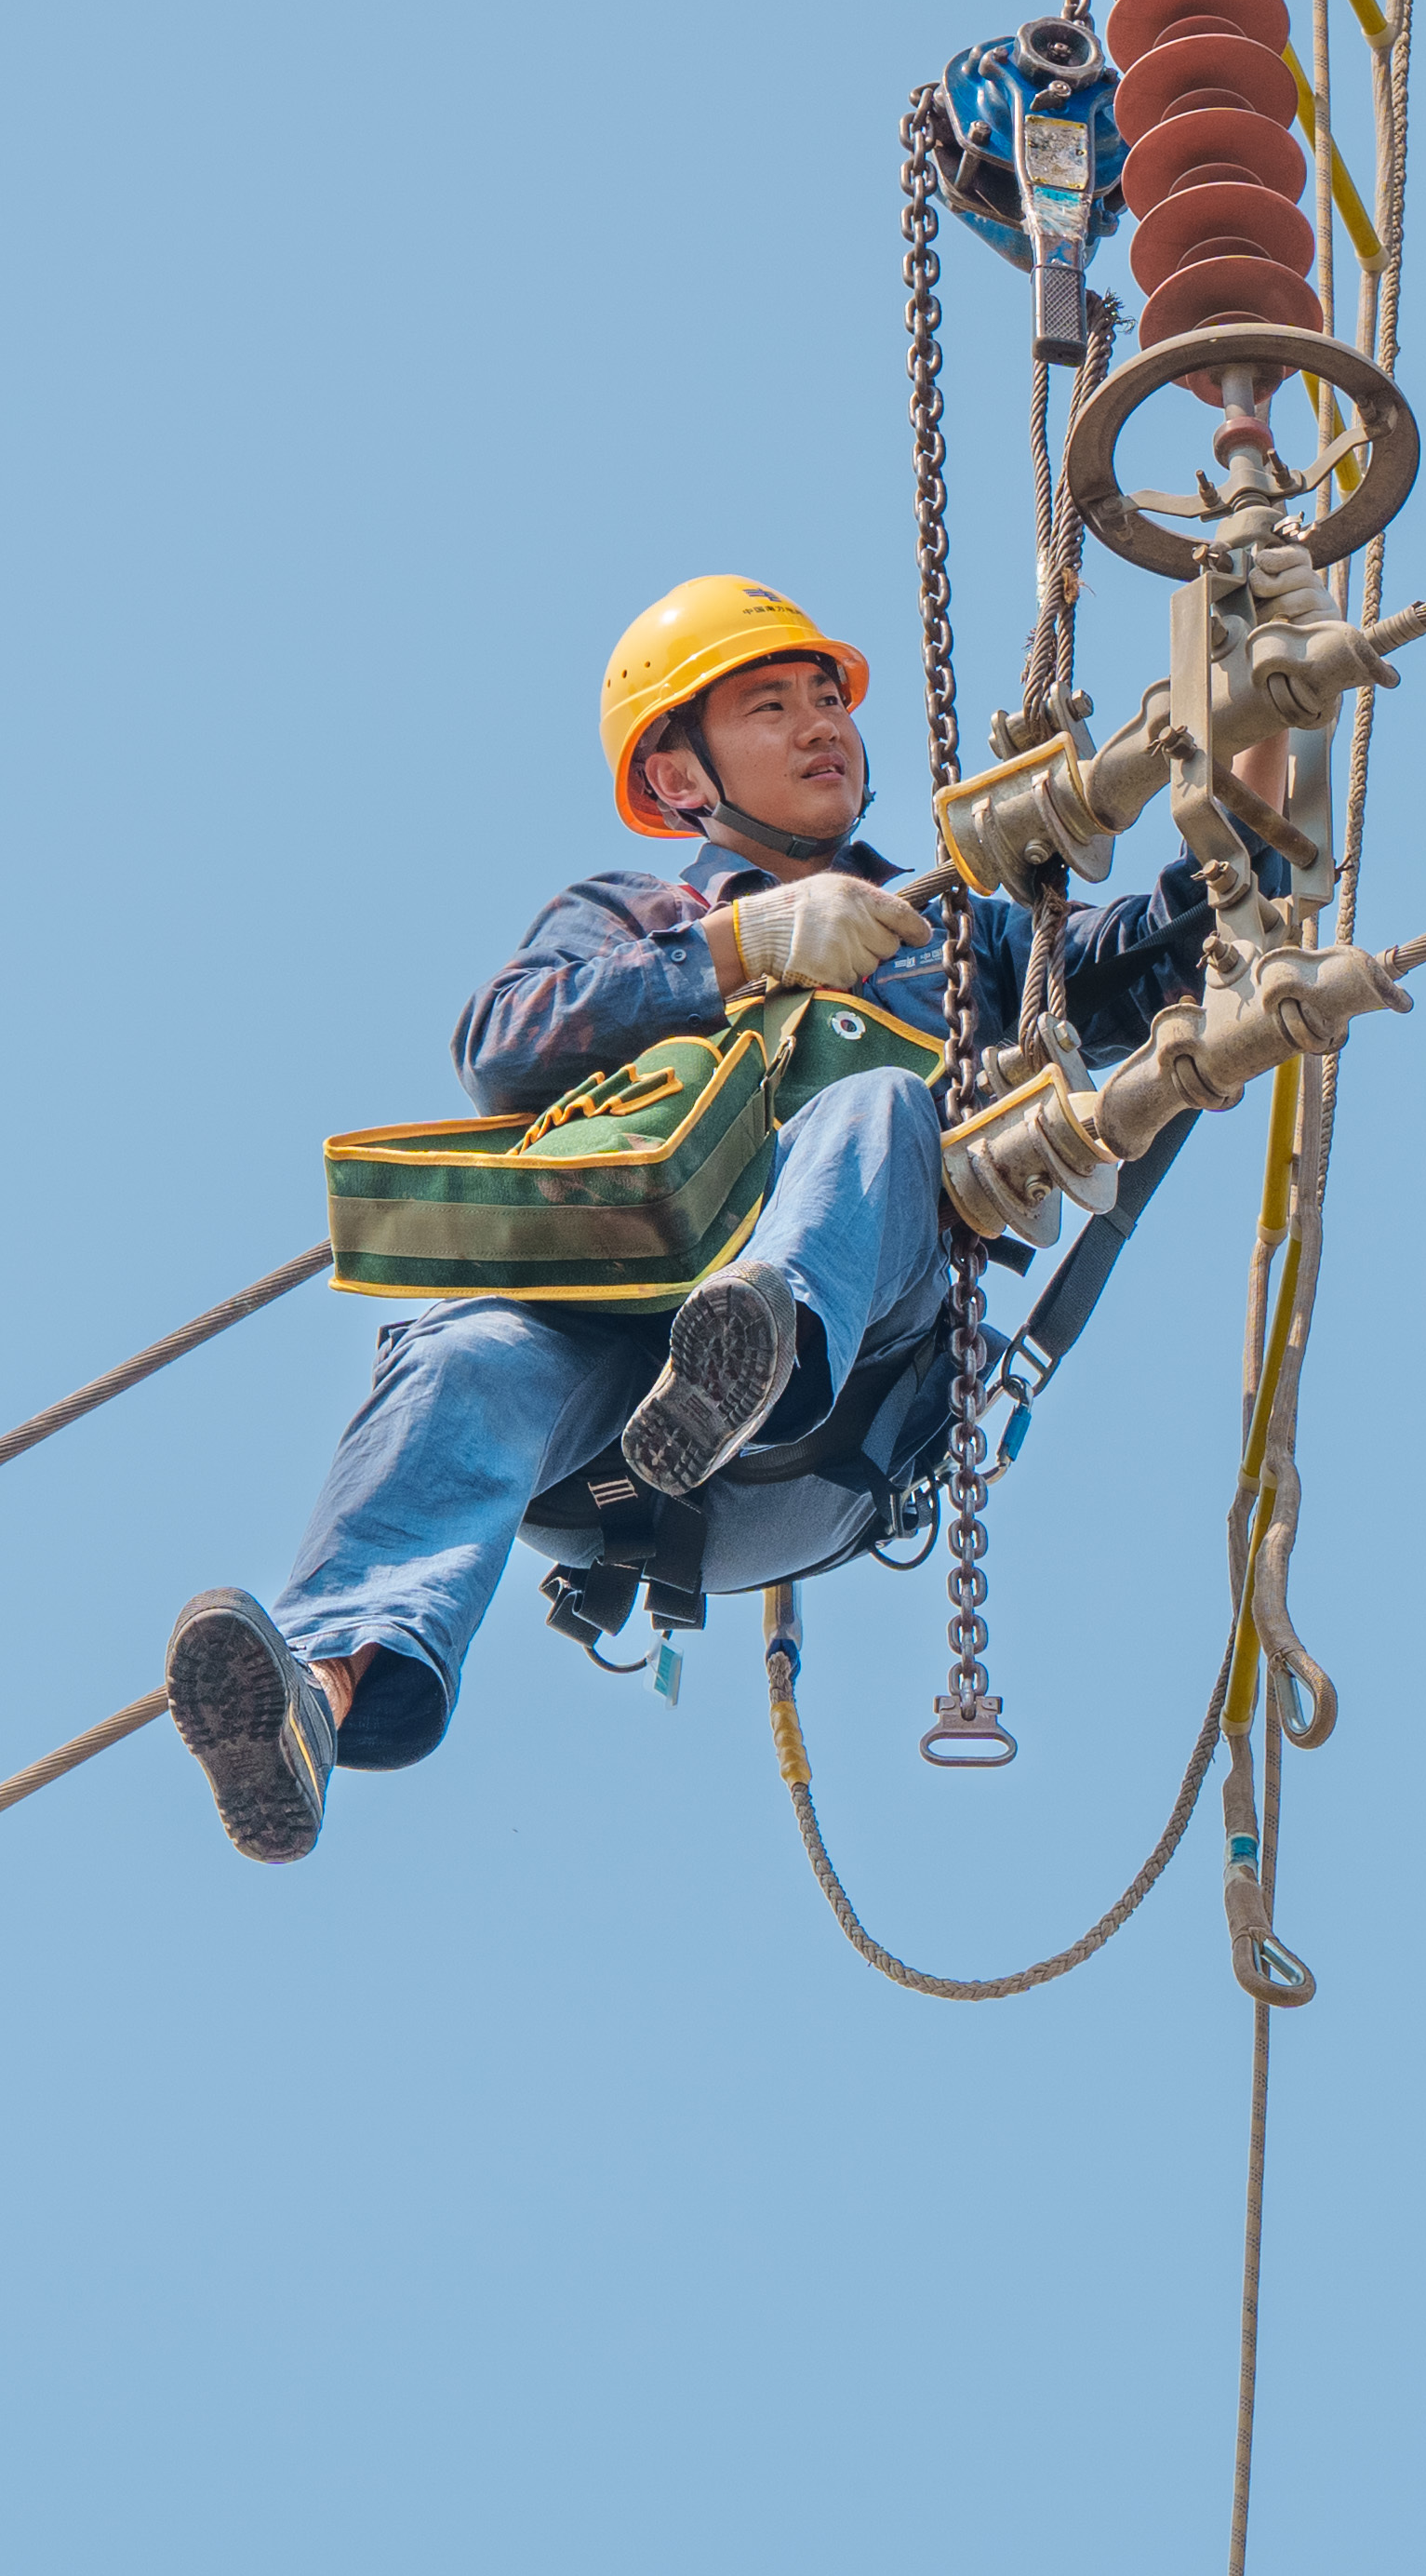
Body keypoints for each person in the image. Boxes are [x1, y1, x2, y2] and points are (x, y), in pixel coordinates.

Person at [158, 573, 1231, 1864]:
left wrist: (1252, 731)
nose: (823, 725)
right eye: (771, 706)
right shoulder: (633, 920)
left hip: (830, 1417)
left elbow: (1192, 950)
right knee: (461, 1356)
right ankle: (317, 1706)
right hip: (607, 1410)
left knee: (878, 1103)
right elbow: (503, 1045)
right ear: (678, 778)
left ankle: (764, 1345)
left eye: (829, 698)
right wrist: (745, 949)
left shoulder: (963, 940)